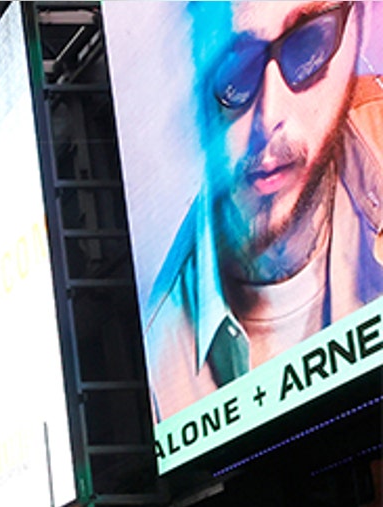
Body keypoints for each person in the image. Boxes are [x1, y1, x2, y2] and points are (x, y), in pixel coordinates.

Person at [140, 2, 383, 425]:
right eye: (237, 71)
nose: (270, 116)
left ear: (357, 24)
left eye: (308, 46)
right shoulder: (162, 366)